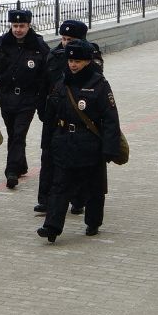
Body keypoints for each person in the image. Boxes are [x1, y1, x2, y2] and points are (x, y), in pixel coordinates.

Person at [37, 41, 122, 243]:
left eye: (77, 61)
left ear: (87, 62)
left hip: (90, 144)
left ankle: (93, 222)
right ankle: (51, 227)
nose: (73, 65)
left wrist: (110, 148)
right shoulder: (62, 82)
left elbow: (110, 118)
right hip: (64, 141)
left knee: (94, 187)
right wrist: (46, 143)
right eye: (71, 60)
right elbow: (50, 116)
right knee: (59, 186)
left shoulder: (99, 84)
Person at [0, 7, 51, 191]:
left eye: (22, 26)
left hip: (28, 98)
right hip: (6, 97)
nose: (18, 29)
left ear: (28, 25)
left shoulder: (39, 46)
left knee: (19, 133)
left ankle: (11, 171)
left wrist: (45, 97)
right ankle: (21, 164)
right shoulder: (2, 43)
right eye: (15, 25)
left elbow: (48, 73)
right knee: (13, 133)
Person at [37, 18, 95, 214]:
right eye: (63, 38)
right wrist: (42, 109)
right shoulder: (53, 56)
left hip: (77, 118)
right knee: (48, 156)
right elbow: (44, 85)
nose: (65, 42)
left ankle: (78, 199)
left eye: (70, 39)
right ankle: (45, 199)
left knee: (76, 159)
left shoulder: (90, 56)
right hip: (54, 115)